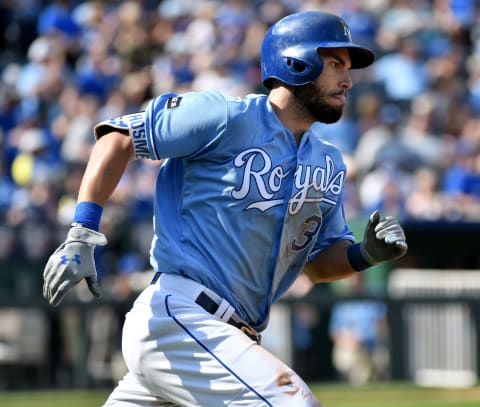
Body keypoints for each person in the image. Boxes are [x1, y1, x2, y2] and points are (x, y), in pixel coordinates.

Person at [43, 11, 407, 407]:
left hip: (221, 337)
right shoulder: (225, 117)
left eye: (348, 68)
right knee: (293, 402)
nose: (348, 80)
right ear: (296, 62)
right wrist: (82, 231)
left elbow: (316, 264)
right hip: (181, 315)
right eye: (336, 63)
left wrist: (364, 254)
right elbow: (117, 139)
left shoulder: (329, 163)